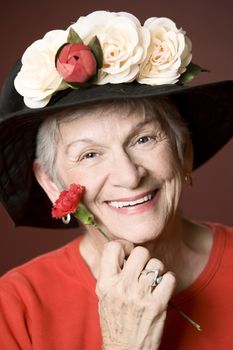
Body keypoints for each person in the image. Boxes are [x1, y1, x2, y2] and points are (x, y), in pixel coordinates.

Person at [0, 10, 232, 350]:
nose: (129, 175)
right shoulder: (13, 308)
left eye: (144, 139)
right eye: (90, 154)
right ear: (51, 183)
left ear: (184, 152)